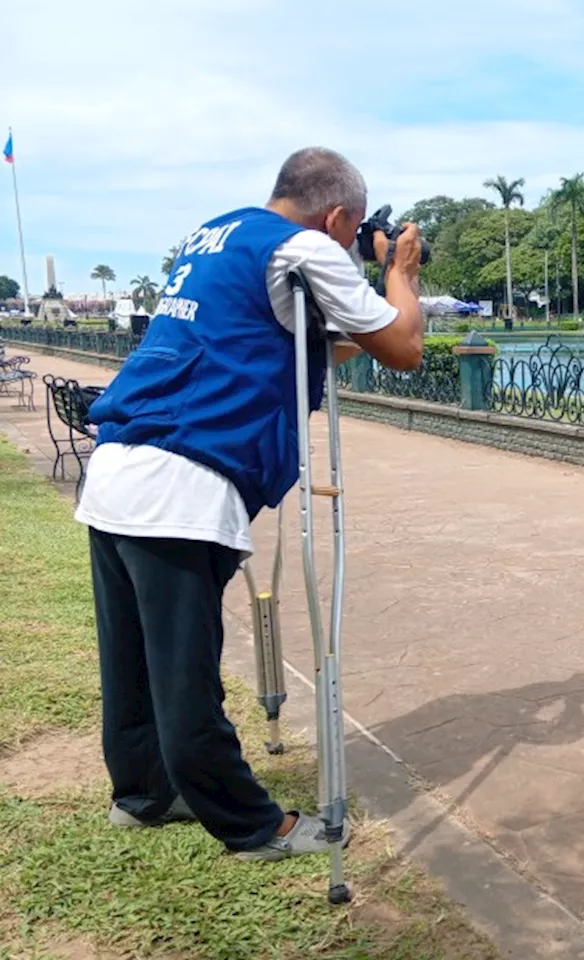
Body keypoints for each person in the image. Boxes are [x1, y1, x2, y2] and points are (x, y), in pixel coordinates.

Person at [75, 147, 425, 861]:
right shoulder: (302, 248)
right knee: (185, 676)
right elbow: (403, 347)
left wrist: (369, 308)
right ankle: (253, 826)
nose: (346, 244)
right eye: (348, 233)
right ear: (337, 217)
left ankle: (142, 795)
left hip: (117, 473)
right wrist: (400, 274)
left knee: (133, 665)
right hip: (180, 487)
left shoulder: (221, 236)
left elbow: (310, 345)